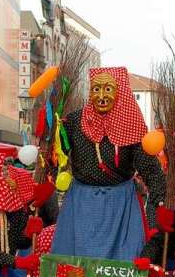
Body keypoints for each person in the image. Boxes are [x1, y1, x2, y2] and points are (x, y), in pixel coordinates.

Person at [50, 67, 165, 260]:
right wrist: (43, 188)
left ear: (119, 92)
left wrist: (160, 208)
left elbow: (151, 171)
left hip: (121, 206)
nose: (102, 96)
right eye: (96, 89)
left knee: (123, 262)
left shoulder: (131, 125)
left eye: (108, 89)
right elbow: (54, 157)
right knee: (74, 269)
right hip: (81, 205)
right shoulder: (73, 122)